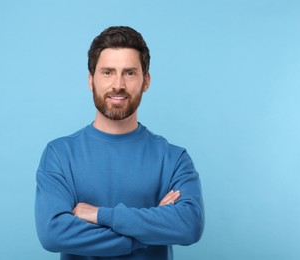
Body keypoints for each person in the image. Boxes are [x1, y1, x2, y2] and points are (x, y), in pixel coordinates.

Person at [35, 26, 204, 260]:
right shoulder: (60, 154)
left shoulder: (173, 159)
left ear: (146, 81)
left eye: (130, 73)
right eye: (107, 72)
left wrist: (102, 215)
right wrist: (148, 230)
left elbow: (189, 226)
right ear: (91, 80)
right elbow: (53, 233)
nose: (118, 84)